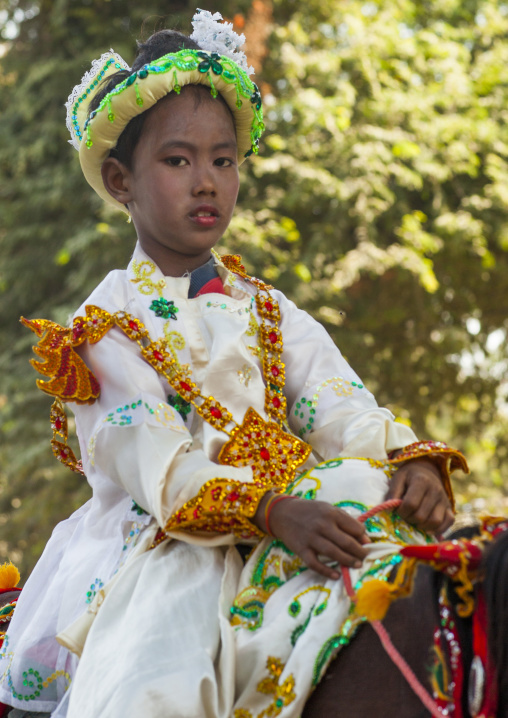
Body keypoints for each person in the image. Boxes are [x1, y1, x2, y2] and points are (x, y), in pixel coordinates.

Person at [0, 11, 466, 718]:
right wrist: (269, 510)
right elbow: (157, 468)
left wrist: (414, 461)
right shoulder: (104, 326)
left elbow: (340, 404)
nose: (207, 182)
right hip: (169, 546)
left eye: (223, 160)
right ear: (122, 180)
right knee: (154, 682)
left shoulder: (270, 309)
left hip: (305, 516)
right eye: (178, 160)